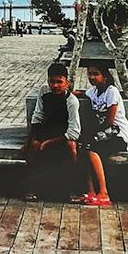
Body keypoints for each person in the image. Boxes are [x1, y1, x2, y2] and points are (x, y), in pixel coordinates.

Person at [78, 64, 128, 207]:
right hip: (102, 134)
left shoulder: (111, 91)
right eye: (89, 74)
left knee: (91, 148)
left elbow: (109, 121)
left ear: (105, 77)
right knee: (82, 147)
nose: (92, 77)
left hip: (118, 135)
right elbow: (84, 94)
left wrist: (92, 133)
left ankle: (104, 193)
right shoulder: (93, 92)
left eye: (96, 74)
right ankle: (91, 191)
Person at [27, 62, 82, 197]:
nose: (56, 85)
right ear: (48, 81)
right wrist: (32, 139)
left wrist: (48, 143)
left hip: (64, 134)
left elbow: (74, 131)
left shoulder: (72, 101)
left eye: (59, 82)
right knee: (32, 148)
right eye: (52, 82)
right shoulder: (44, 92)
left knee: (72, 148)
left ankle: (73, 189)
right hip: (47, 130)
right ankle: (33, 187)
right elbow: (37, 115)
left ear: (66, 83)